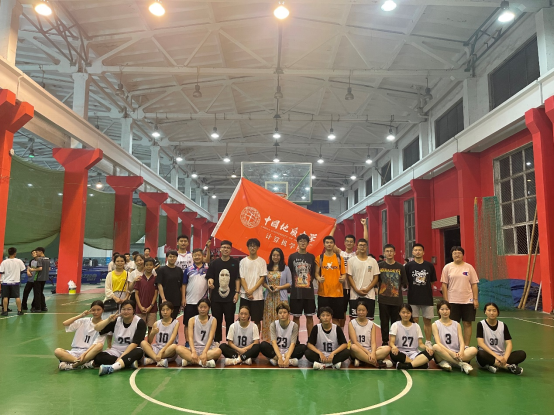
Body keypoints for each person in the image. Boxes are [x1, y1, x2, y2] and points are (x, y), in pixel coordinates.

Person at [331, 218, 369, 327]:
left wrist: (364, 226)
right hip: (341, 288)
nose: (349, 243)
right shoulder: (340, 253)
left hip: (353, 288)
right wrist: (334, 228)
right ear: (344, 243)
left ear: (354, 244)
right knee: (341, 312)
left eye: (351, 242)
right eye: (347, 241)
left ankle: (356, 331)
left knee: (355, 313)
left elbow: (365, 241)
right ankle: (341, 332)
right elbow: (330, 241)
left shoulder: (355, 254)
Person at [95, 300, 146, 376]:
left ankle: (112, 368)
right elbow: (97, 328)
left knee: (139, 352)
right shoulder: (116, 321)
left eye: (129, 309)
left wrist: (122, 356)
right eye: (123, 309)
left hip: (130, 351)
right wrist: (108, 320)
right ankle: (127, 363)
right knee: (98, 357)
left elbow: (135, 343)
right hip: (116, 350)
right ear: (120, 310)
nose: (126, 311)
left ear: (134, 310)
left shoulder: (139, 322)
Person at [441, 246, 479, 346]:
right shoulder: (447, 267)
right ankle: (454, 346)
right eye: (455, 253)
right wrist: (446, 301)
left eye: (459, 253)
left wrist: (475, 299)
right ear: (452, 255)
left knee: (467, 323)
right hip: (452, 301)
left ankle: (466, 346)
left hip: (468, 301)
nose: (457, 255)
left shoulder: (469, 267)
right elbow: (444, 285)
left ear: (463, 255)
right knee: (453, 324)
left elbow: (474, 284)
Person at [476, 303, 526, 375]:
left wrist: (505, 358)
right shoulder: (481, 324)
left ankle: (495, 364)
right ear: (485, 312)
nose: (492, 313)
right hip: (489, 355)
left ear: (498, 312)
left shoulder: (503, 325)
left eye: (494, 311)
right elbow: (480, 343)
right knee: (480, 354)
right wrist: (496, 356)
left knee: (522, 354)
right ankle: (507, 366)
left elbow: (509, 343)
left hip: (501, 355)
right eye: (489, 310)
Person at [54, 301, 106, 370]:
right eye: (93, 310)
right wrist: (81, 315)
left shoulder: (104, 325)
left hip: (89, 353)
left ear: (103, 310)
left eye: (98, 310)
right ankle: (79, 362)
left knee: (99, 346)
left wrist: (84, 354)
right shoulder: (83, 321)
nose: (96, 312)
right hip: (75, 351)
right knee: (57, 351)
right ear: (90, 310)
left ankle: (71, 364)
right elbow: (65, 323)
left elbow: (97, 343)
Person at [206, 240, 240, 343]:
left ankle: (230, 342)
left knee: (230, 321)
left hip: (230, 298)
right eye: (224, 247)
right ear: (220, 249)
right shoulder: (214, 263)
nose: (226, 249)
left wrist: (237, 293)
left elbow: (237, 279)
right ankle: (217, 342)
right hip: (216, 298)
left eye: (228, 248)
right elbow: (210, 277)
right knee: (216, 321)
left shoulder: (235, 263)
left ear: (230, 250)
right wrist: (210, 283)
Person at [432, 300, 477, 375]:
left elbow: (461, 341)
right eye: (442, 309)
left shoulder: (456, 324)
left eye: (447, 309)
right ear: (438, 311)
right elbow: (438, 343)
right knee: (435, 347)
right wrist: (451, 353)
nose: (445, 311)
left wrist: (461, 351)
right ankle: (460, 364)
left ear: (450, 310)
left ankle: (449, 362)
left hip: (457, 353)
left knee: (474, 350)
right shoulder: (435, 324)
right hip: (444, 353)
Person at [405, 243, 437, 346]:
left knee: (427, 320)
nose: (418, 252)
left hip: (427, 297)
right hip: (413, 297)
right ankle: (415, 341)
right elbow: (406, 281)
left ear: (423, 252)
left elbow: (432, 281)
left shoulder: (429, 265)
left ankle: (428, 341)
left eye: (419, 250)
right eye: (415, 250)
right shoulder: (408, 266)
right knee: (414, 320)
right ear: (413, 252)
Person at [176, 299, 222, 368]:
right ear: (198, 308)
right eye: (201, 307)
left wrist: (205, 352)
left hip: (208, 349)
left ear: (209, 308)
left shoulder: (213, 320)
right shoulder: (192, 320)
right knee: (178, 348)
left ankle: (190, 361)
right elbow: (190, 337)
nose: (202, 309)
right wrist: (193, 351)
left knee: (218, 351)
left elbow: (211, 337)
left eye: (205, 307)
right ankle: (202, 362)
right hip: (194, 348)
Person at [378, 244, 408, 347]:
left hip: (396, 300)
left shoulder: (400, 267)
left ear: (394, 253)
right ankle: (385, 341)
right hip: (383, 299)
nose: (389, 253)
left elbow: (404, 282)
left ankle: (395, 341)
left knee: (396, 323)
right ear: (384, 253)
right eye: (387, 251)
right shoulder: (380, 266)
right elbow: (376, 280)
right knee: (384, 322)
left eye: (391, 251)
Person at [288, 234, 317, 340]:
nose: (303, 243)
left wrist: (307, 283)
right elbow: (290, 272)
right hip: (296, 293)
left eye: (305, 241)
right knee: (296, 318)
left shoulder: (311, 257)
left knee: (310, 317)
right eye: (301, 241)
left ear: (308, 243)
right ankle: (295, 341)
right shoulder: (292, 257)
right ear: (297, 243)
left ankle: (310, 340)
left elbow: (313, 274)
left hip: (308, 294)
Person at [260, 302, 306, 367]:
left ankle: (276, 360)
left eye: (284, 312)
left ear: (288, 314)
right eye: (280, 313)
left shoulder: (294, 325)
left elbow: (293, 344)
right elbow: (273, 342)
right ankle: (289, 361)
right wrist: (279, 357)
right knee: (263, 345)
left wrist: (287, 357)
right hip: (276, 351)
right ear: (277, 314)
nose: (282, 315)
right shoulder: (273, 325)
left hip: (288, 351)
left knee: (303, 347)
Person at [389, 304, 434, 370]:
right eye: (403, 312)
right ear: (399, 313)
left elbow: (420, 344)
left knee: (430, 353)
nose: (406, 315)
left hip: (414, 353)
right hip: (401, 352)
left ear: (411, 313)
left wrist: (426, 347)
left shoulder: (416, 326)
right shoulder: (395, 325)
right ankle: (418, 363)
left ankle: (407, 365)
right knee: (393, 353)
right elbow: (391, 342)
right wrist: (394, 347)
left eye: (408, 313)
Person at [348, 302, 392, 368]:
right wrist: (368, 353)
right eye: (359, 310)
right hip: (357, 350)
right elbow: (355, 342)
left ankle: (362, 360)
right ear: (356, 311)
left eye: (363, 310)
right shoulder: (352, 323)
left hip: (369, 350)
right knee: (353, 347)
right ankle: (376, 363)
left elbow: (373, 342)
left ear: (367, 311)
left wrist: (373, 353)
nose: (361, 312)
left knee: (387, 348)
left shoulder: (371, 324)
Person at [315, 236, 346, 326]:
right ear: (324, 244)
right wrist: (318, 278)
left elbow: (344, 273)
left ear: (334, 244)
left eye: (331, 242)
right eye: (327, 242)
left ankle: (337, 335)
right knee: (323, 318)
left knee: (336, 319)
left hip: (337, 293)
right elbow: (316, 273)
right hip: (323, 293)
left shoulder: (339, 258)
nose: (329, 244)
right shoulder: (320, 258)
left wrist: (343, 278)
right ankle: (321, 335)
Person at [262, 248, 292, 341]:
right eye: (274, 255)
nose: (276, 257)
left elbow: (290, 283)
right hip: (269, 298)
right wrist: (268, 287)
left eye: (278, 255)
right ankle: (268, 340)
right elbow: (263, 282)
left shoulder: (286, 268)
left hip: (281, 298)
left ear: (281, 257)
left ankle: (282, 339)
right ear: (271, 256)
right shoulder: (267, 268)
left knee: (281, 317)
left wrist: (279, 287)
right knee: (269, 318)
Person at [347, 239, 380, 321]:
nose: (362, 247)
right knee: (354, 320)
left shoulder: (373, 261)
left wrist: (368, 289)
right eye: (360, 245)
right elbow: (349, 277)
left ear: (367, 247)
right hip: (354, 295)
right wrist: (356, 289)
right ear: (357, 246)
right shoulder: (351, 261)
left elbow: (376, 277)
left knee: (369, 320)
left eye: (364, 245)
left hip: (369, 295)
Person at [240, 238, 267, 334]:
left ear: (258, 247)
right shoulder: (243, 261)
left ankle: (256, 339)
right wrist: (247, 291)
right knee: (243, 319)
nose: (252, 248)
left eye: (254, 246)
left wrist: (252, 290)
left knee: (257, 320)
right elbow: (242, 277)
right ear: (247, 247)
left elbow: (262, 278)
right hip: (244, 296)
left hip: (258, 296)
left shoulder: (262, 261)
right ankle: (244, 337)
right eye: (250, 246)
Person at [141, 301, 180, 368]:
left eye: (167, 310)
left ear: (172, 311)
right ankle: (158, 360)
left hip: (168, 351)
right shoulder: (156, 323)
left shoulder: (176, 323)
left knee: (174, 346)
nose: (165, 312)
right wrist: (152, 333)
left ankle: (153, 360)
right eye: (163, 310)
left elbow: (172, 340)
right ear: (160, 311)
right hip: (157, 348)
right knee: (143, 343)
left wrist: (161, 352)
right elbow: (149, 342)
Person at [182, 249, 209, 338]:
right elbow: (184, 285)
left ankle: (200, 341)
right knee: (187, 324)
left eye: (199, 255)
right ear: (192, 257)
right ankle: (187, 342)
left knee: (202, 324)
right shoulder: (188, 270)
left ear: (203, 256)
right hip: (189, 301)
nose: (197, 257)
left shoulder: (207, 269)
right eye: (195, 255)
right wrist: (183, 298)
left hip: (203, 302)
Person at [157, 251, 184, 320]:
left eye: (174, 257)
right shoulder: (162, 270)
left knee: (173, 320)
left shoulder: (179, 270)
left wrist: (182, 299)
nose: (172, 258)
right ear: (167, 258)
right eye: (170, 256)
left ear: (176, 258)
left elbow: (181, 286)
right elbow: (159, 284)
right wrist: (163, 298)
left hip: (176, 300)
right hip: (165, 300)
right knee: (164, 320)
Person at [134, 257, 158, 333]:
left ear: (153, 266)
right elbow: (136, 294)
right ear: (144, 266)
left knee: (151, 328)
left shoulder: (156, 279)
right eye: (147, 265)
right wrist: (140, 307)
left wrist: (151, 306)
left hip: (152, 308)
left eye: (150, 265)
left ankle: (149, 341)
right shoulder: (139, 279)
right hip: (140, 308)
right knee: (140, 328)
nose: (148, 267)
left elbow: (156, 294)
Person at [0, 247, 26, 316]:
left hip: (5, 282)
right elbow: (23, 270)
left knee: (5, 297)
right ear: (15, 253)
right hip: (15, 282)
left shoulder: (4, 262)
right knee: (17, 297)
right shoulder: (19, 261)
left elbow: (1, 271)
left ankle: (5, 311)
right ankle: (19, 311)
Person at [28, 247, 50, 313]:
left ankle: (38, 308)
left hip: (38, 278)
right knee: (41, 293)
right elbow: (49, 269)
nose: (36, 253)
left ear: (41, 252)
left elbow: (40, 268)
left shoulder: (39, 259)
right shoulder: (47, 259)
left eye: (37, 252)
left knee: (37, 293)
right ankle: (43, 307)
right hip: (44, 278)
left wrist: (33, 269)